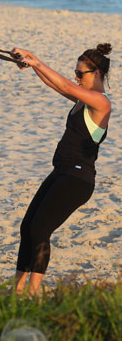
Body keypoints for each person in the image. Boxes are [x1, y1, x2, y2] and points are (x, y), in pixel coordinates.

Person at [10, 44, 112, 296]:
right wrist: (32, 59)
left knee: (40, 230)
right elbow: (56, 85)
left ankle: (33, 292)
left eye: (81, 74)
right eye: (75, 73)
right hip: (62, 172)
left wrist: (36, 63)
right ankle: (17, 290)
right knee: (27, 227)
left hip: (78, 180)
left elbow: (66, 86)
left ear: (96, 73)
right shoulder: (81, 99)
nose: (77, 78)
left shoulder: (101, 102)